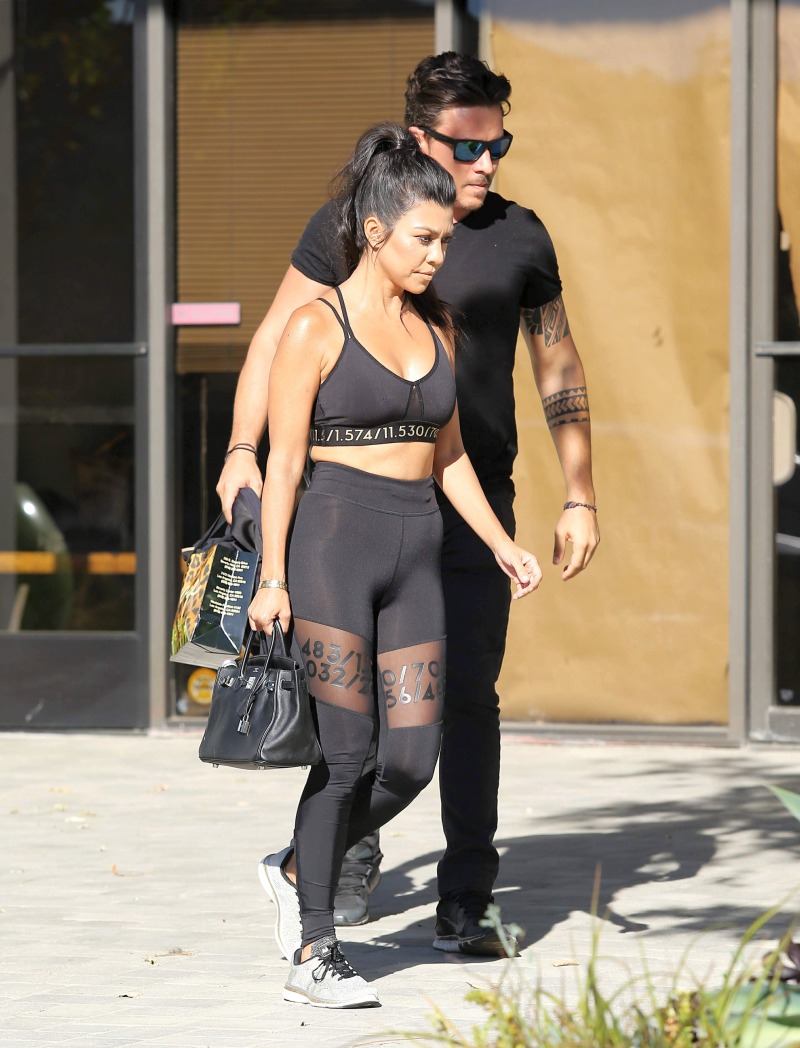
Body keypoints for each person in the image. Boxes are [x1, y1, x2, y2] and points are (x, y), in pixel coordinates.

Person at [218, 52, 599, 956]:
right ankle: (339, 862)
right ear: (422, 139)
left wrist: (580, 492)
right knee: (358, 710)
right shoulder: (357, 224)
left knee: (466, 698)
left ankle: (467, 895)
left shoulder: (521, 238)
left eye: (499, 144)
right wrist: (241, 450)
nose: (486, 162)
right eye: (468, 146)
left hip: (471, 495)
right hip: (351, 501)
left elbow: (557, 363)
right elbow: (277, 340)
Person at [247, 123, 541, 1008]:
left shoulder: (437, 325)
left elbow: (449, 456)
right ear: (375, 231)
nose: (437, 255)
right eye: (424, 238)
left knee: (410, 759)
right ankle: (314, 952)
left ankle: (297, 865)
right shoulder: (315, 325)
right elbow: (284, 464)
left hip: (419, 550)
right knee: (347, 756)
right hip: (334, 549)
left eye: (445, 240)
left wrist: (501, 543)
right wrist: (273, 577)